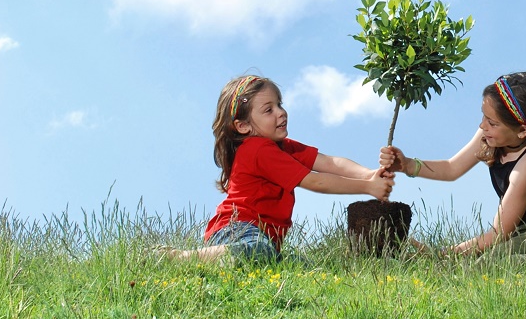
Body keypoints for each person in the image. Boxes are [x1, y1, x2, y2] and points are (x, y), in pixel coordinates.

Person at [381, 72, 526, 261]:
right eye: (484, 117)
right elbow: (452, 168)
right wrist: (409, 164)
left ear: (522, 131)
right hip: (519, 231)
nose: (482, 125)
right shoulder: (491, 134)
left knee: (490, 265)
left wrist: (440, 254)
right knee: (482, 262)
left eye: (492, 122)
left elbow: (498, 234)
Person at [161, 74, 395, 264]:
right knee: (258, 251)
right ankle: (182, 259)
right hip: (237, 231)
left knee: (303, 266)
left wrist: (368, 174)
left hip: (263, 238)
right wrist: (368, 187)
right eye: (268, 110)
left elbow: (329, 162)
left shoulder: (281, 146)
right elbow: (316, 181)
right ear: (243, 126)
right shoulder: (258, 149)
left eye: (279, 105)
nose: (281, 112)